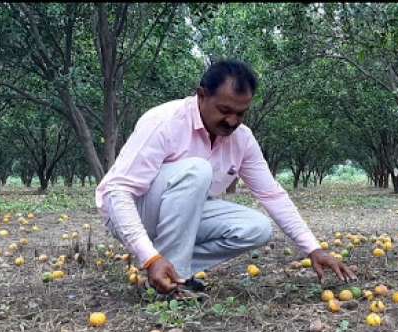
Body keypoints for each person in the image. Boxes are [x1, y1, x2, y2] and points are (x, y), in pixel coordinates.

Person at [96, 59, 356, 298]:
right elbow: (117, 191)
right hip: (133, 210)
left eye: (241, 113)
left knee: (256, 228)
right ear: (201, 95)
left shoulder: (242, 139)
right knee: (196, 170)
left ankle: (171, 272)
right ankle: (170, 284)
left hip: (181, 215)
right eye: (224, 110)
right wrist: (149, 257)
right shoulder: (164, 121)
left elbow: (271, 194)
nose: (232, 121)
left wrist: (313, 248)